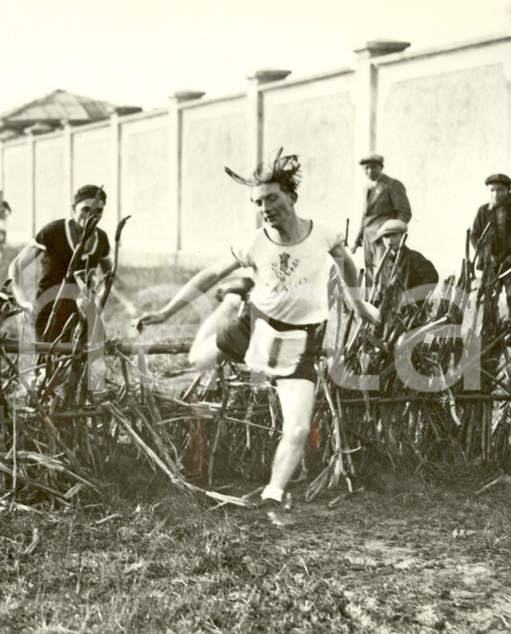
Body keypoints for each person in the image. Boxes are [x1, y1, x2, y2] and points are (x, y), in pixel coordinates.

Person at [137, 150, 378, 526]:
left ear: (292, 198)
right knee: (195, 360)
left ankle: (272, 496)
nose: (266, 208)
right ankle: (235, 298)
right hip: (255, 327)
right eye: (258, 202)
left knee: (297, 426)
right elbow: (208, 275)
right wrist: (166, 311)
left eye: (273, 199)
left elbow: (345, 262)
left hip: (300, 342)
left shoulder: (325, 233)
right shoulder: (253, 242)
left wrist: (359, 306)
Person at [7, 184, 134, 344]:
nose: (92, 215)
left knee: (82, 364)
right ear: (74, 209)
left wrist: (130, 306)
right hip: (49, 308)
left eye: (98, 211)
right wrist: (21, 301)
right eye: (86, 209)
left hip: (82, 313)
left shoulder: (101, 239)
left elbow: (111, 278)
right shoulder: (54, 231)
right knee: (49, 364)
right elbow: (16, 265)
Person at [471, 173, 511, 317]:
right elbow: (475, 235)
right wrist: (485, 255)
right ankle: (490, 330)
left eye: (500, 190)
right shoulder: (483, 211)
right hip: (491, 263)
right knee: (489, 297)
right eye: (492, 190)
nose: (495, 194)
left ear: (508, 190)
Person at [352, 154, 412, 278]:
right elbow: (365, 219)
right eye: (366, 168)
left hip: (383, 240)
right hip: (368, 240)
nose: (369, 171)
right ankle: (373, 299)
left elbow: (404, 212)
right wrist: (356, 242)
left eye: (373, 167)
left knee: (383, 277)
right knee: (370, 278)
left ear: (381, 167)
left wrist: (394, 235)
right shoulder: (367, 188)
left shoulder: (392, 185)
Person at [372, 219, 438, 300]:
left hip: (411, 309)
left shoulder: (414, 257)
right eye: (386, 236)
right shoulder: (383, 263)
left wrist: (413, 297)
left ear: (403, 236)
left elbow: (432, 279)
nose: (390, 240)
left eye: (394, 235)